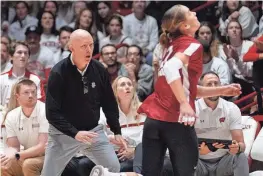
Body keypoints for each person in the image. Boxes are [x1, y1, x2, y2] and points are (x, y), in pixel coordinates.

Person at [137, 5, 241, 176]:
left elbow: (186, 89)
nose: (194, 12)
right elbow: (172, 70)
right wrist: (184, 104)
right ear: (184, 26)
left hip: (153, 122)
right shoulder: (193, 45)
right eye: (189, 12)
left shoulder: (171, 47)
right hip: (177, 121)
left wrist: (222, 90)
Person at [41, 29, 127, 176]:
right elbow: (51, 113)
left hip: (93, 132)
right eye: (83, 46)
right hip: (63, 134)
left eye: (91, 45)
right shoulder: (58, 72)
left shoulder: (99, 69)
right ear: (71, 48)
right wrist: (75, 133)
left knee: (113, 168)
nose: (89, 50)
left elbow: (109, 102)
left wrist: (116, 130)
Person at [195, 71, 249, 176]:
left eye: (216, 84)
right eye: (209, 85)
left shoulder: (231, 108)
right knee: (181, 158)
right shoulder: (192, 108)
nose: (214, 87)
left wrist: (237, 148)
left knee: (240, 156)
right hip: (199, 162)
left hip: (223, 162)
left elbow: (241, 144)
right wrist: (197, 152)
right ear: (202, 89)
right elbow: (182, 145)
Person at [0, 79, 48, 176]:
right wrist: (7, 156)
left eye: (33, 92)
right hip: (28, 155)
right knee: (5, 164)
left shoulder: (45, 110)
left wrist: (17, 155)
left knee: (29, 164)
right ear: (17, 96)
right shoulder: (11, 116)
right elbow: (14, 147)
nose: (31, 95)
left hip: (49, 156)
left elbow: (42, 146)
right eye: (26, 92)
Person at [0, 41, 45, 107]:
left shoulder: (35, 79)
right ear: (11, 56)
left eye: (26, 53)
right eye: (19, 52)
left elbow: (41, 105)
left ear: (28, 58)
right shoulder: (2, 79)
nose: (23, 56)